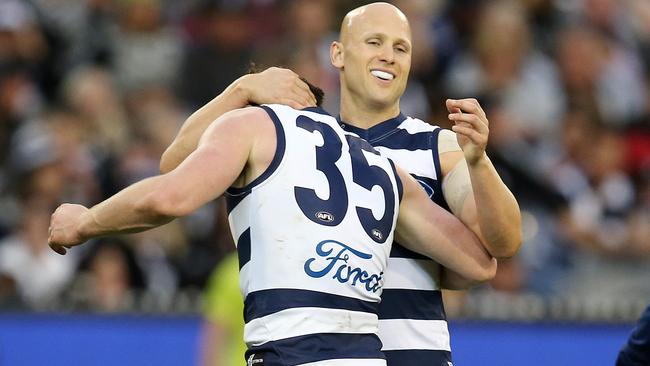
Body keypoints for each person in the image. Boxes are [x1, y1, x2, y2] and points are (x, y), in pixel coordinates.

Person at [161, 4, 522, 364]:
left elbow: (503, 243)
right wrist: (240, 90)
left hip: (414, 355)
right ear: (338, 53)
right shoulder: (297, 143)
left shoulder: (435, 146)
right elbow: (176, 165)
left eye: (401, 48)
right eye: (374, 42)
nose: (388, 56)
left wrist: (478, 161)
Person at [49, 84, 496, 364]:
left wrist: (85, 221)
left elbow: (170, 193)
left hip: (291, 350)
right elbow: (480, 264)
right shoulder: (382, 167)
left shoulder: (255, 123)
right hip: (365, 354)